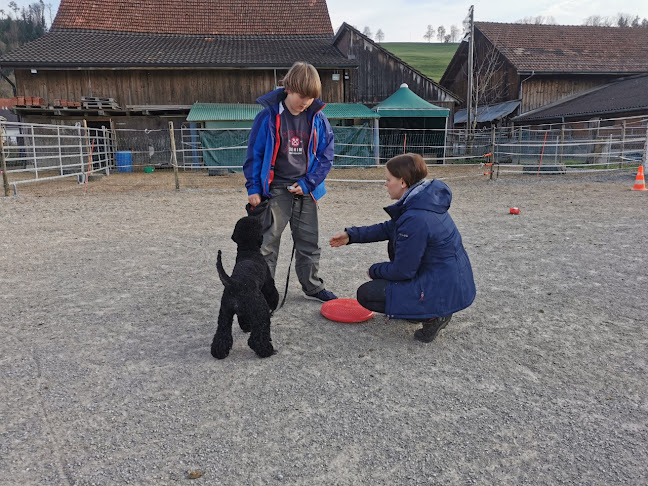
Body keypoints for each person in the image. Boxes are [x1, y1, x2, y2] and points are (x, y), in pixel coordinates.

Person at [330, 153, 476, 342]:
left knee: (367, 294)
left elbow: (403, 270)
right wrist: (351, 235)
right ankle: (420, 309)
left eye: (388, 179)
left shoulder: (416, 217)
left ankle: (433, 316)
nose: (385, 184)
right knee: (391, 267)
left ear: (402, 182)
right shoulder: (422, 201)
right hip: (447, 281)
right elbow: (389, 228)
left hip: (441, 288)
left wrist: (374, 270)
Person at [243, 61, 337, 303]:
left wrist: (308, 183)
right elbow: (255, 155)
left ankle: (313, 287)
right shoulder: (267, 117)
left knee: (309, 241)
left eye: (310, 97)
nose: (305, 102)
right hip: (275, 191)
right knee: (267, 245)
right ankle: (264, 292)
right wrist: (253, 188)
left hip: (307, 189)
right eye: (301, 96)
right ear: (288, 88)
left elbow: (326, 156)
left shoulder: (318, 119)